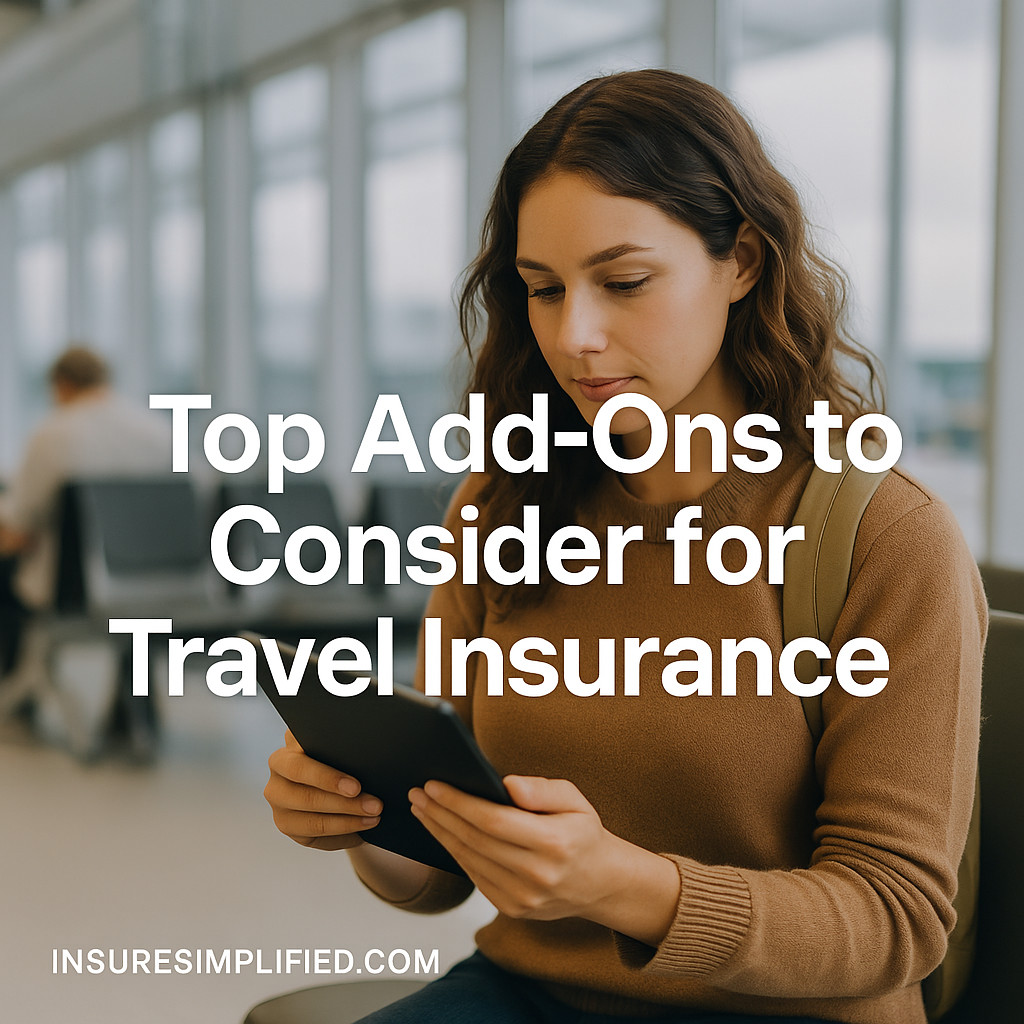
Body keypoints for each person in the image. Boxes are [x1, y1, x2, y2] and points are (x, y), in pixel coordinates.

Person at [263, 71, 985, 1023]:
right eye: (542, 291)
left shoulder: (882, 535)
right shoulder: (503, 505)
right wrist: (365, 820)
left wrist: (626, 888)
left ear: (745, 263)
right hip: (530, 991)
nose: (577, 336)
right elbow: (433, 880)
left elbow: (895, 920)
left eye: (625, 282)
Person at [0, 346, 170, 689]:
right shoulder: (160, 431)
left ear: (62, 385)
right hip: (159, 584)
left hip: (77, 588)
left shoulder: (54, 434)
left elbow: (21, 527)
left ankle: (15, 686)